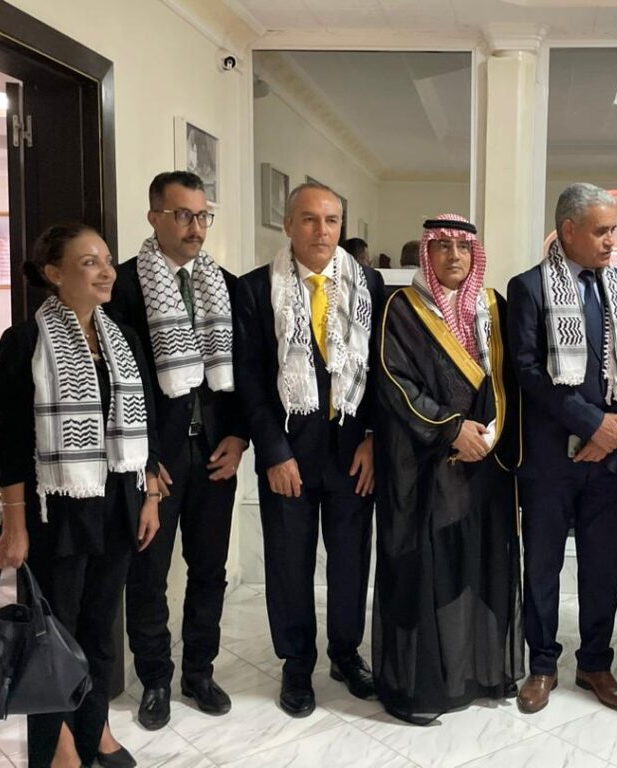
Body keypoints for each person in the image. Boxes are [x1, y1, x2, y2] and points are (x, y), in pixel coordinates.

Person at [0, 223, 161, 768]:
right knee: (52, 630)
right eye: (90, 263)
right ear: (55, 273)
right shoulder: (25, 342)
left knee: (100, 626)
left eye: (107, 260)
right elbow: (8, 441)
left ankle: (96, 727)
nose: (107, 272)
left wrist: (150, 496)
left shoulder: (123, 340)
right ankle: (57, 743)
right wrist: (14, 523)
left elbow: (146, 424)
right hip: (56, 508)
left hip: (117, 502)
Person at [234, 181, 385, 717]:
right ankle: (296, 665)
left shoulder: (368, 283)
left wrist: (372, 438)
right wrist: (273, 452)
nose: (322, 231)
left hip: (352, 454)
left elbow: (381, 371)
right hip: (289, 456)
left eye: (331, 220)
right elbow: (250, 379)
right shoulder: (255, 289)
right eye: (309, 219)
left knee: (351, 561)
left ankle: (345, 654)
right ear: (288, 225)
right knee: (288, 564)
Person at [105, 171, 247, 729]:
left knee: (209, 568)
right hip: (156, 459)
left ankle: (199, 673)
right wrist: (144, 460)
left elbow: (247, 373)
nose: (195, 227)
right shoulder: (123, 287)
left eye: (202, 215)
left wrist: (239, 436)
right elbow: (119, 384)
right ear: (154, 218)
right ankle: (156, 680)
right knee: (149, 573)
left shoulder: (225, 285)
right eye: (183, 214)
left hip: (215, 452)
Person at [506, 183, 617, 715]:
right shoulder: (528, 287)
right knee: (543, 565)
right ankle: (542, 664)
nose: (612, 240)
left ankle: (595, 663)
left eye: (614, 230)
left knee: (605, 566)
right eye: (601, 231)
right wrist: (591, 424)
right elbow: (526, 370)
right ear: (568, 231)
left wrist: (616, 426)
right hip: (550, 459)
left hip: (610, 459)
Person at [373, 214, 523, 723]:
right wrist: (452, 430)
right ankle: (423, 687)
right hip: (427, 466)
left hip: (486, 467)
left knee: (479, 567)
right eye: (442, 246)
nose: (454, 255)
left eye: (463, 246)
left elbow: (509, 380)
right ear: (427, 252)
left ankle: (477, 673)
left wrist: (490, 434)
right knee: (430, 573)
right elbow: (395, 382)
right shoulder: (402, 307)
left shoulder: (493, 307)